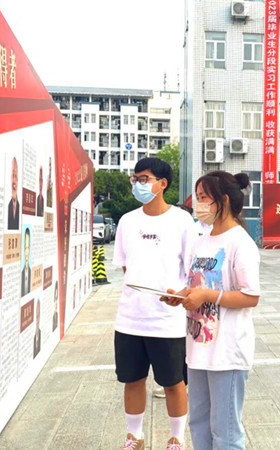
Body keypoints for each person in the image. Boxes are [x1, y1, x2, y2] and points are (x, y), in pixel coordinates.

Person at [164, 171, 260, 450]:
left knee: (225, 432)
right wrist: (182, 295)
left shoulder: (240, 242)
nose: (199, 205)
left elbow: (251, 296)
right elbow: (198, 283)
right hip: (198, 349)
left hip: (227, 353)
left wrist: (207, 296)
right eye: (197, 198)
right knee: (199, 424)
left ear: (223, 200)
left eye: (204, 198)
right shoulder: (201, 240)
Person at [113, 157, 198, 450]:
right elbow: (126, 265)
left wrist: (180, 293)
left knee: (173, 382)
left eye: (144, 179)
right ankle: (134, 436)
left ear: (162, 184)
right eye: (135, 179)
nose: (138, 184)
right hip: (130, 318)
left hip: (167, 320)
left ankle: (177, 438)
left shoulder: (182, 221)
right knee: (132, 380)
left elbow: (193, 269)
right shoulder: (127, 221)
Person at [8, 157, 20, 229]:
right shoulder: (7, 206)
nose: (14, 180)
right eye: (12, 175)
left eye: (15, 176)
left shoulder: (20, 206)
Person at [21, 229, 31, 297]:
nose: (26, 252)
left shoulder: (31, 272)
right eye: (25, 248)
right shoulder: (21, 274)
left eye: (28, 248)